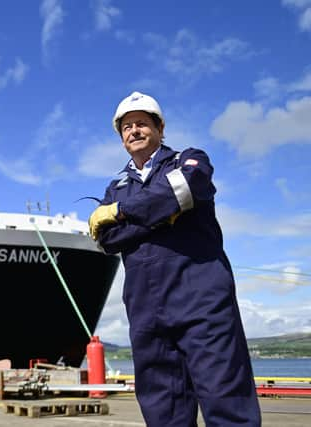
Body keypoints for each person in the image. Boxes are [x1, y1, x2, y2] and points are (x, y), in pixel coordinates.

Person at [89, 91, 261, 426]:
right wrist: (165, 212)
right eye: (127, 127)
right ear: (121, 137)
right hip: (146, 313)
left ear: (160, 128)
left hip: (202, 303)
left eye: (141, 123)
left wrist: (124, 212)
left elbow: (187, 188)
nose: (134, 131)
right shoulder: (116, 186)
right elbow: (107, 238)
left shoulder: (189, 160)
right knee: (163, 410)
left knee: (226, 400)